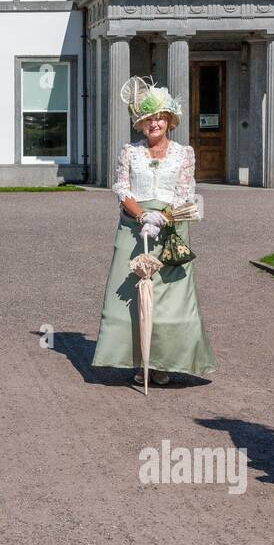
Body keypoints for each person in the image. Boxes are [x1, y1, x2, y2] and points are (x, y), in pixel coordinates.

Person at [92, 76, 217, 384]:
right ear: (142, 123)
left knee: (170, 297)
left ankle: (163, 362)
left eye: (160, 117)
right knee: (130, 294)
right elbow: (122, 187)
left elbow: (186, 192)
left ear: (169, 120)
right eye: (149, 118)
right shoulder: (129, 152)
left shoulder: (184, 152)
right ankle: (136, 359)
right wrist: (143, 215)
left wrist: (162, 217)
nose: (154, 123)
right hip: (134, 228)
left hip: (171, 228)